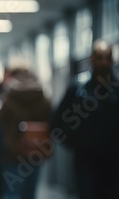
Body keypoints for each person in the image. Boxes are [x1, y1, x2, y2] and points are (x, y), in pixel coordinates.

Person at [51, 39, 119, 199]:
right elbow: (57, 122)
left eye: (107, 57)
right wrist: (75, 143)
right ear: (92, 59)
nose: (103, 62)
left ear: (112, 60)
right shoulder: (78, 88)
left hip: (114, 162)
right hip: (86, 160)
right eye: (99, 57)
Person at [0, 64, 52, 199]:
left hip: (11, 152)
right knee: (30, 193)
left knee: (12, 193)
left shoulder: (9, 96)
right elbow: (51, 120)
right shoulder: (41, 95)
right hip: (35, 150)